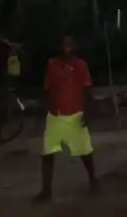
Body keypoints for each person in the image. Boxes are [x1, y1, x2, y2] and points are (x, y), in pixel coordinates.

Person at [35, 36, 96, 203]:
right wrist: (43, 109)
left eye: (69, 45)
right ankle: (46, 190)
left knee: (85, 151)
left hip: (76, 115)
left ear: (74, 47)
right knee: (48, 152)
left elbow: (87, 90)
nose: (66, 48)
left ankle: (93, 180)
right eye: (63, 45)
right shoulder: (52, 64)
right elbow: (47, 89)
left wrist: (88, 113)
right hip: (55, 115)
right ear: (58, 47)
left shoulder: (80, 65)